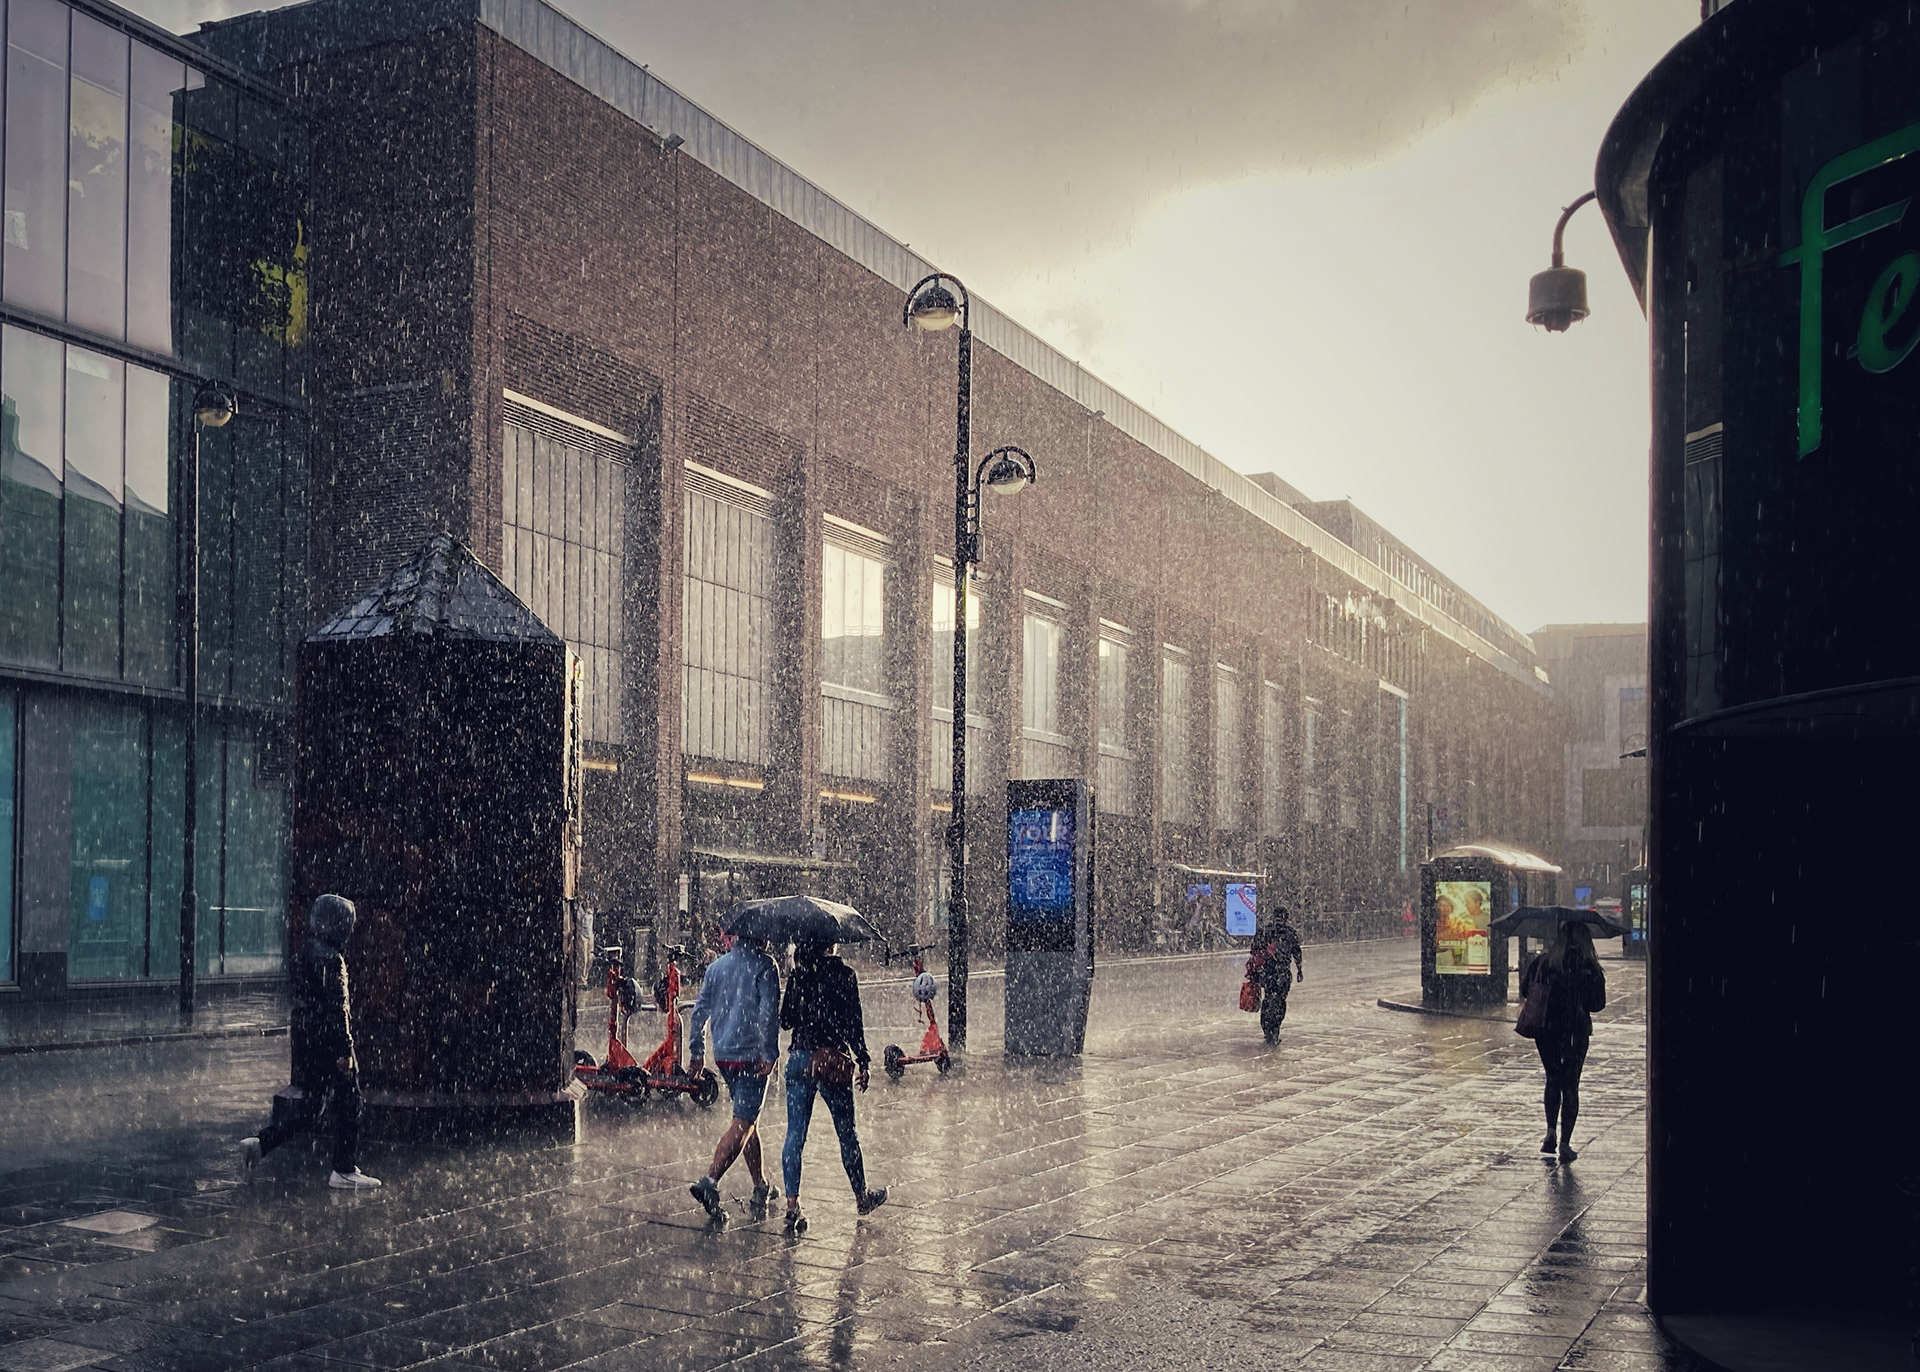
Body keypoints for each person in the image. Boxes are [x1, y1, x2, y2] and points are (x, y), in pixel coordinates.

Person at [241, 894, 381, 1189]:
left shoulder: (306, 951)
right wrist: (346, 1049)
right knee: (350, 1101)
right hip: (332, 1043)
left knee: (312, 1105)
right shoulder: (332, 957)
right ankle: (343, 1170)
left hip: (310, 1041)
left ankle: (260, 1143)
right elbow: (338, 1007)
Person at [779, 940, 886, 1232]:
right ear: (833, 943)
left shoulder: (800, 974)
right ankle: (861, 1196)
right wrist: (862, 1059)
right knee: (846, 1133)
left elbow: (785, 1021)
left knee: (795, 1134)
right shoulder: (845, 975)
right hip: (832, 1061)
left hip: (800, 1058)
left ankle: (792, 1203)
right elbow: (854, 1024)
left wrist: (799, 987)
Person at [687, 934, 783, 1219]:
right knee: (743, 1123)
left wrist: (696, 1052)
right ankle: (710, 1181)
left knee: (748, 1120)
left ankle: (760, 1185)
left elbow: (699, 1013)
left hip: (725, 1054)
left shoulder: (716, 967)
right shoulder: (766, 965)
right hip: (752, 1055)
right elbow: (768, 1013)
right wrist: (769, 1052)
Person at [1520, 921, 1607, 1163]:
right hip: (1575, 1030)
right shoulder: (1589, 967)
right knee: (1570, 1084)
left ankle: (1550, 1132)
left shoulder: (1544, 962)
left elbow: (1527, 990)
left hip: (1546, 1028)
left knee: (1552, 1077)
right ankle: (1566, 1143)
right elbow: (1598, 1004)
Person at [1245, 909, 1305, 1045]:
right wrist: (1299, 970)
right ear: (1286, 918)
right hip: (1282, 973)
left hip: (1268, 972)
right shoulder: (1290, 933)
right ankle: (1275, 1028)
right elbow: (1297, 953)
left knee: (1268, 999)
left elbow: (1253, 951)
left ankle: (1267, 1029)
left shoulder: (1265, 931)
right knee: (1280, 1001)